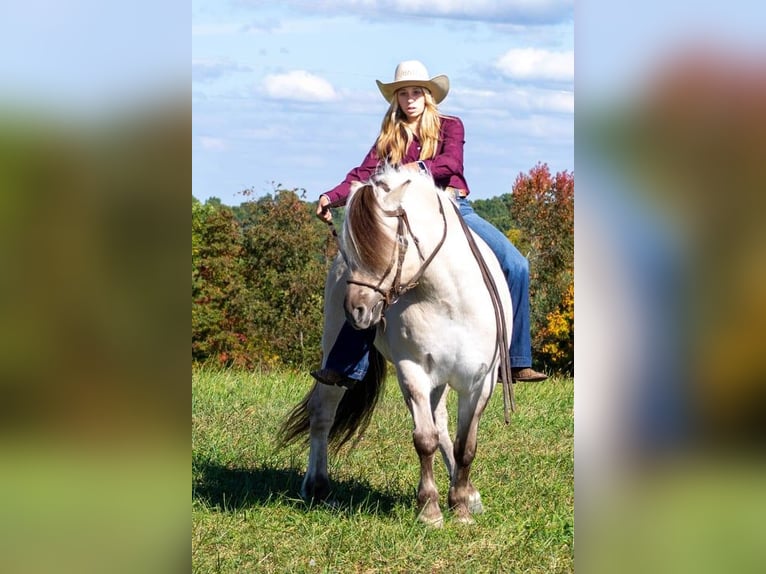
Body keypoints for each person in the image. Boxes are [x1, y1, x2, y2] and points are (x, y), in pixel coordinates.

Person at [312, 60, 547, 386]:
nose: (410, 99)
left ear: (428, 96)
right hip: (403, 219)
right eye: (403, 94)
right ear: (396, 98)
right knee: (369, 274)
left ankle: (516, 359)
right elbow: (363, 175)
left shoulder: (451, 126)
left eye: (416, 93)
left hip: (451, 208)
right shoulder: (389, 136)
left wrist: (415, 169)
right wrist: (330, 196)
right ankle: (347, 365)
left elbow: (451, 163)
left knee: (516, 264)